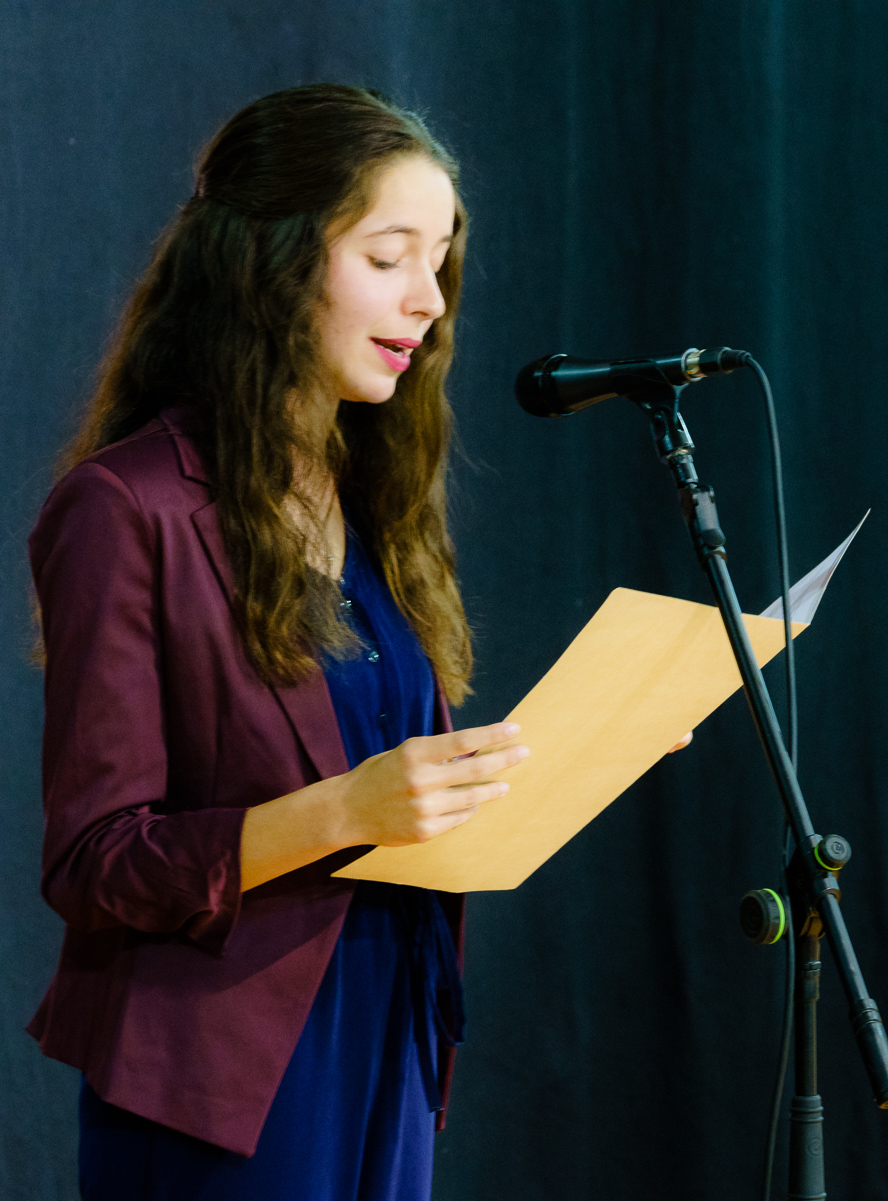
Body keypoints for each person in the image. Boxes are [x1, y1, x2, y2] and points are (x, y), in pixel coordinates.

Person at [28, 85, 527, 1200]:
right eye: (389, 256)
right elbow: (95, 860)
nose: (429, 299)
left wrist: (593, 746)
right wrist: (345, 810)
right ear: (274, 260)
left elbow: (401, 789)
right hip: (223, 1080)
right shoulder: (127, 507)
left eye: (440, 259)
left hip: (391, 1028)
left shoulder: (375, 498)